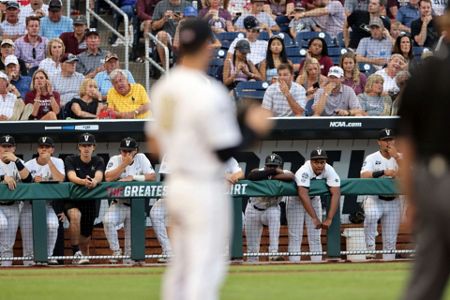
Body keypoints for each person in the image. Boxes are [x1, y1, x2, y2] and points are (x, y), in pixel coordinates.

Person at [148, 19, 272, 300]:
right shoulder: (209, 91)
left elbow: (155, 145)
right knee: (205, 268)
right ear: (206, 47)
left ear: (179, 47)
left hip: (177, 185)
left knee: (181, 266)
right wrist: (252, 128)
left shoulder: (164, 87)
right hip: (203, 186)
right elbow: (223, 151)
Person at [398, 10, 450, 299]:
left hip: (432, 181)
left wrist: (412, 199)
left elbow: (406, 145)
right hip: (437, 176)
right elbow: (406, 143)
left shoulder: (424, 72)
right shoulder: (427, 74)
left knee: (426, 281)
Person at [103, 137, 156, 264]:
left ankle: (128, 265)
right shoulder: (115, 159)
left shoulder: (141, 158)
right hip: (119, 203)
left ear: (135, 150)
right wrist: (124, 164)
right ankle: (116, 250)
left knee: (130, 250)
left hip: (135, 206)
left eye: (129, 151)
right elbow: (108, 178)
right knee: (107, 221)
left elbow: (152, 176)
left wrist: (133, 177)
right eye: (124, 151)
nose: (126, 154)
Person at [287, 148, 341, 262]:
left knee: (315, 236)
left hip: (314, 199)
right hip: (296, 201)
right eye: (316, 162)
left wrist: (330, 218)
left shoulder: (329, 169)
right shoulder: (304, 170)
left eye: (322, 162)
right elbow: (302, 193)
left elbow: (336, 192)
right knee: (296, 236)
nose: (320, 165)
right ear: (311, 162)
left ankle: (317, 265)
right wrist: (314, 218)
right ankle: (293, 266)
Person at [21, 136, 64, 266]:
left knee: (53, 225)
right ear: (37, 149)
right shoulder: (28, 164)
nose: (44, 149)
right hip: (29, 206)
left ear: (52, 150)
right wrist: (34, 182)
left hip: (47, 205)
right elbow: (24, 187)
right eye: (41, 147)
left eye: (47, 147)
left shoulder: (58, 161)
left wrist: (49, 162)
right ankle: (28, 262)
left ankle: (48, 256)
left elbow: (60, 179)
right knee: (28, 236)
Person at [245, 154, 295, 262]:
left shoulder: (284, 173)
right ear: (265, 165)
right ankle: (252, 262)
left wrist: (271, 176)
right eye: (269, 166)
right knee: (252, 246)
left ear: (279, 166)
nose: (271, 168)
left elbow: (291, 176)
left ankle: (273, 254)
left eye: (274, 166)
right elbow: (251, 175)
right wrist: (271, 173)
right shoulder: (258, 171)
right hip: (253, 208)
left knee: (274, 213)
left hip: (270, 208)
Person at [361, 129, 401, 260]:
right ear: (379, 142)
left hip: (394, 201)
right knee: (371, 216)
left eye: (391, 139)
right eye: (385, 140)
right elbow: (363, 176)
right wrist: (383, 172)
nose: (388, 143)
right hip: (375, 198)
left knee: (390, 239)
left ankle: (388, 264)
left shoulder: (400, 157)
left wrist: (396, 158)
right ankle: (370, 251)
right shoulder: (372, 158)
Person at [64, 133, 104, 265]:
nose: (86, 148)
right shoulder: (71, 160)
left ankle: (83, 263)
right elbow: (71, 176)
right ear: (79, 147)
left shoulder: (98, 160)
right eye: (83, 145)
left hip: (89, 202)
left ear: (94, 147)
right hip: (73, 199)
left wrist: (94, 182)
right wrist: (83, 181)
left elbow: (99, 175)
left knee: (85, 240)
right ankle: (75, 252)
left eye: (89, 145)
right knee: (75, 216)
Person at [0, 135, 32, 266]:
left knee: (8, 244)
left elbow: (28, 180)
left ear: (14, 148)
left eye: (9, 146)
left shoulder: (18, 163)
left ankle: (6, 271)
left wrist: (17, 161)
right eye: (4, 146)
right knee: (1, 224)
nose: (6, 149)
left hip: (13, 206)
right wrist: (3, 177)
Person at [151, 0, 191, 70]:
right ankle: (165, 69)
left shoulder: (187, 4)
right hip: (168, 35)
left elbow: (195, 23)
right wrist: (164, 19)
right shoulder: (161, 4)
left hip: (183, 35)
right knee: (161, 35)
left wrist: (183, 19)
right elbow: (154, 26)